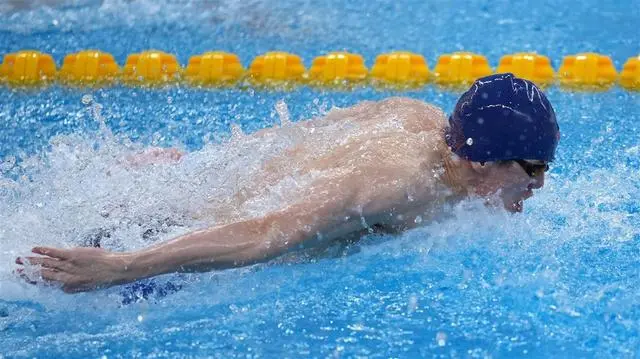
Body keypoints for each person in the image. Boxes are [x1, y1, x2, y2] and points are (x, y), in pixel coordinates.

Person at [15, 73, 560, 293]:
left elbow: (296, 134)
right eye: (531, 169)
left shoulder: (419, 115)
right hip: (200, 228)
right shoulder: (398, 186)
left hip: (212, 190)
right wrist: (124, 266)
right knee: (57, 271)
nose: (539, 183)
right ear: (482, 162)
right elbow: (264, 235)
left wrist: (191, 166)